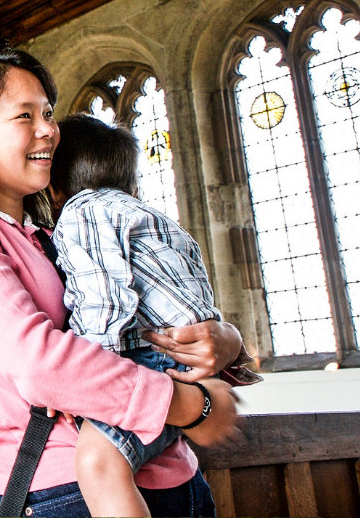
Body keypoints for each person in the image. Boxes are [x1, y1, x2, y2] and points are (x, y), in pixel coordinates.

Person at [0, 50, 245, 517]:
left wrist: (226, 342)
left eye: (49, 113)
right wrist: (188, 407)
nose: (48, 129)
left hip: (175, 477)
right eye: (25, 116)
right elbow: (39, 363)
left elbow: (154, 309)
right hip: (63, 492)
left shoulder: (53, 236)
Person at [49, 114, 259, 517]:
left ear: (55, 188)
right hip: (186, 361)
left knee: (98, 463)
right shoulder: (153, 218)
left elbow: (104, 298)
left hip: (145, 357)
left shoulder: (83, 212)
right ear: (130, 180)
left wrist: (89, 377)